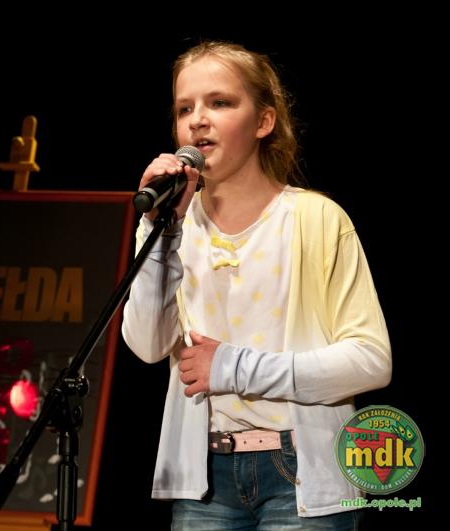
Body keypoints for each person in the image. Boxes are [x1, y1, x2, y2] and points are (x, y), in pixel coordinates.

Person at [121, 41, 391, 530]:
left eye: (219, 102)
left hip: (300, 474)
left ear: (263, 121)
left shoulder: (316, 218)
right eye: (185, 109)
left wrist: (232, 366)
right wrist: (158, 231)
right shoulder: (173, 226)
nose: (198, 120)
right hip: (205, 479)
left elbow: (371, 361)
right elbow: (146, 344)